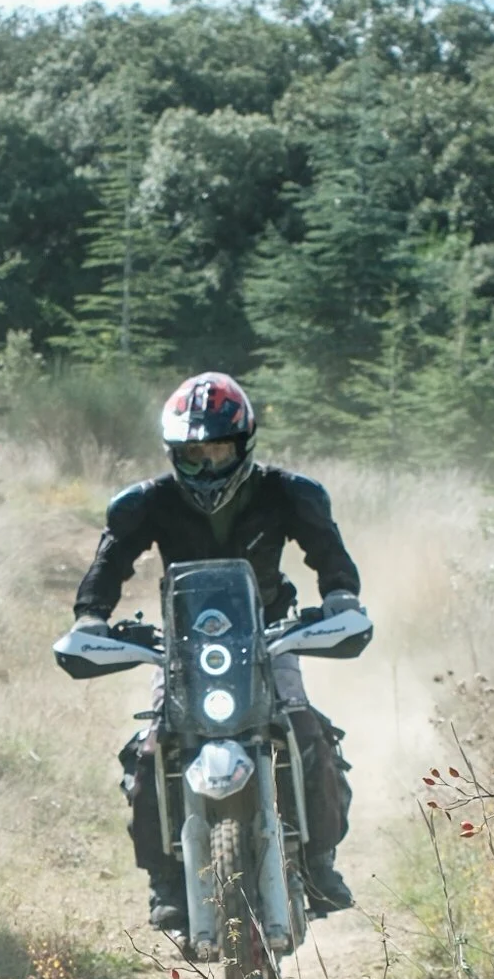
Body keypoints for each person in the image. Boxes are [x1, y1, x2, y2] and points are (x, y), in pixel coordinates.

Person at [70, 374, 359, 934]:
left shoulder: (289, 493)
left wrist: (341, 597)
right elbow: (110, 563)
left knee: (304, 730)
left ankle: (320, 861)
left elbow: (329, 553)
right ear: (174, 454)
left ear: (243, 445)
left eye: (218, 451)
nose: (206, 467)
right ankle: (166, 882)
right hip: (185, 645)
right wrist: (91, 617)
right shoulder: (146, 503)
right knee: (153, 749)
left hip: (270, 634)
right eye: (192, 455)